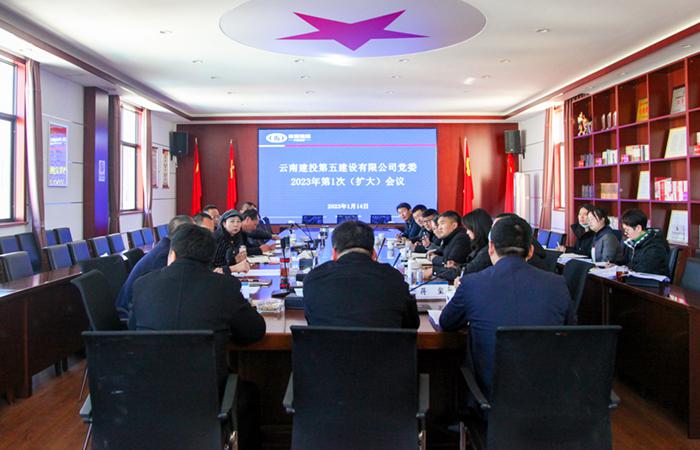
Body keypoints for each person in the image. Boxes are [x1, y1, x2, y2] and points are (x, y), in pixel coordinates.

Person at [129, 224, 266, 449]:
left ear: (172, 254)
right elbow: (254, 332)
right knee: (249, 392)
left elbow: (134, 331)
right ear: (211, 258)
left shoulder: (142, 285)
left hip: (148, 393)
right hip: (207, 397)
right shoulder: (224, 286)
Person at [439, 215, 574, 400]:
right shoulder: (557, 283)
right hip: (549, 398)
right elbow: (570, 329)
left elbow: (447, 322)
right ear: (530, 251)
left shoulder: (472, 283)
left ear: (491, 248)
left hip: (489, 400)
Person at [303, 220, 419, 329]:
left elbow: (311, 321)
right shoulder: (392, 277)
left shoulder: (314, 278)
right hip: (384, 344)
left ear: (333, 254)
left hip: (327, 344)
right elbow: (411, 325)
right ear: (374, 254)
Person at [115, 215, 193, 316]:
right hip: (130, 314)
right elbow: (168, 291)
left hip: (140, 307)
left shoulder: (166, 247)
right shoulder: (163, 256)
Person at [619, 208, 670, 276]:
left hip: (650, 281)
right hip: (634, 278)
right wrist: (614, 264)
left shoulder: (655, 247)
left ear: (638, 228)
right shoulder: (631, 242)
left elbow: (643, 270)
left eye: (627, 230)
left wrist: (624, 269)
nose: (625, 233)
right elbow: (624, 260)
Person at [424, 211, 471, 282]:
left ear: (454, 225)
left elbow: (450, 263)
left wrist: (434, 259)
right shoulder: (449, 237)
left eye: (442, 223)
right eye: (438, 225)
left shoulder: (462, 238)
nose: (439, 228)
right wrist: (433, 254)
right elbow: (440, 252)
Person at [211, 209, 252, 274]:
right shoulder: (219, 238)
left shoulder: (236, 236)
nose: (236, 225)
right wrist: (234, 267)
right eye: (232, 221)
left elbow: (226, 262)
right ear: (224, 224)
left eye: (238, 221)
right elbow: (214, 267)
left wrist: (236, 261)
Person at [459, 208, 493, 276]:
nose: (467, 232)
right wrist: (456, 265)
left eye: (468, 229)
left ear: (476, 228)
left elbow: (467, 271)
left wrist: (437, 270)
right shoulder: (480, 246)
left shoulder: (486, 251)